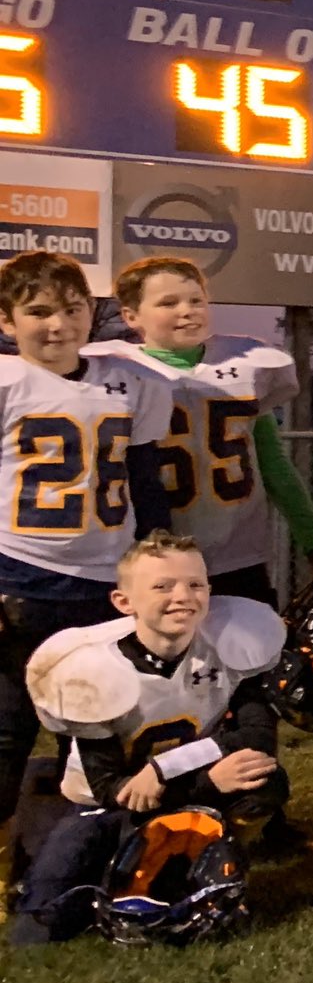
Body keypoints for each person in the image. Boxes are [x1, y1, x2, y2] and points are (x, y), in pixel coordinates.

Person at [13, 530, 286, 945]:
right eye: (163, 586)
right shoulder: (92, 666)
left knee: (264, 780)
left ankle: (212, 860)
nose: (183, 596)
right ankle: (50, 836)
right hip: (106, 808)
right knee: (41, 926)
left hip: (185, 790)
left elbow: (258, 737)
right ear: (124, 602)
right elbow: (109, 788)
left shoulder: (229, 643)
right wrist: (201, 780)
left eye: (195, 584)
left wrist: (165, 770)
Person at [0, 251, 174, 828]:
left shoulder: (134, 381)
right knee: (7, 731)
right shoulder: (7, 382)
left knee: (96, 732)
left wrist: (157, 567)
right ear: (7, 321)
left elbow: (145, 484)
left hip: (105, 583)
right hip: (18, 576)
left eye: (72, 309)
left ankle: (80, 854)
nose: (58, 325)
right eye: (38, 312)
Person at [87, 256, 313, 605]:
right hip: (147, 554)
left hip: (237, 552)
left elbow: (273, 464)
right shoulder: (112, 372)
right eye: (168, 303)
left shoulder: (245, 363)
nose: (187, 311)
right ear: (131, 316)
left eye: (196, 300)